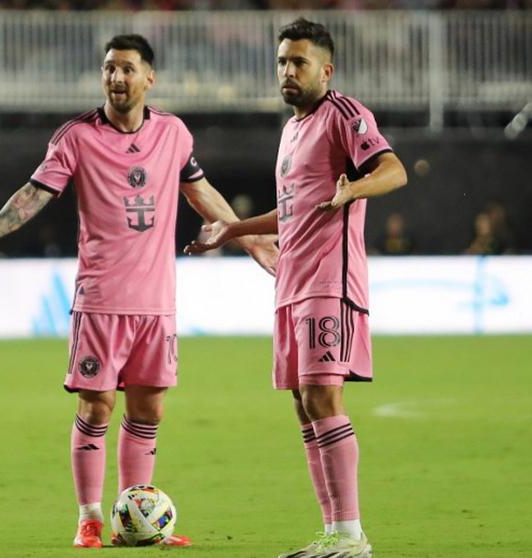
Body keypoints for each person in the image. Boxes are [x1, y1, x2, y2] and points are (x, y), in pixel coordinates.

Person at [0, 33, 278, 549]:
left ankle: (135, 519)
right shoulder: (76, 136)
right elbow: (33, 195)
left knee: (149, 410)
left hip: (156, 303)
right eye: (109, 68)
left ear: (149, 78)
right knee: (96, 408)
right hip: (100, 301)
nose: (116, 77)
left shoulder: (174, 134)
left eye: (127, 69)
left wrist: (248, 239)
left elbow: (200, 192)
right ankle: (90, 517)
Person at [186, 18, 407, 558]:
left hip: (330, 280)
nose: (288, 70)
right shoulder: (290, 131)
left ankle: (353, 536)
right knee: (302, 404)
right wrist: (232, 229)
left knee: (322, 396)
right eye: (282, 61)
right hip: (290, 281)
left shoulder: (345, 114)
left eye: (299, 62)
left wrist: (353, 188)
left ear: (325, 70)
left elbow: (395, 170)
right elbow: (290, 212)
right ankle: (333, 533)